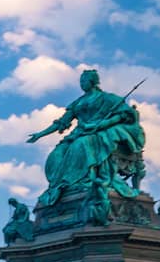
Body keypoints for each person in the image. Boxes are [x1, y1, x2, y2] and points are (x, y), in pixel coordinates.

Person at [28, 69, 145, 205]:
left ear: (92, 82)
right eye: (80, 81)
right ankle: (65, 186)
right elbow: (62, 122)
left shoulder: (108, 98)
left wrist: (104, 123)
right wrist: (40, 134)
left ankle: (84, 181)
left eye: (84, 81)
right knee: (56, 154)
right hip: (79, 133)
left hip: (97, 134)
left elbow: (127, 114)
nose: (81, 84)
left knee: (80, 145)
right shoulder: (78, 102)